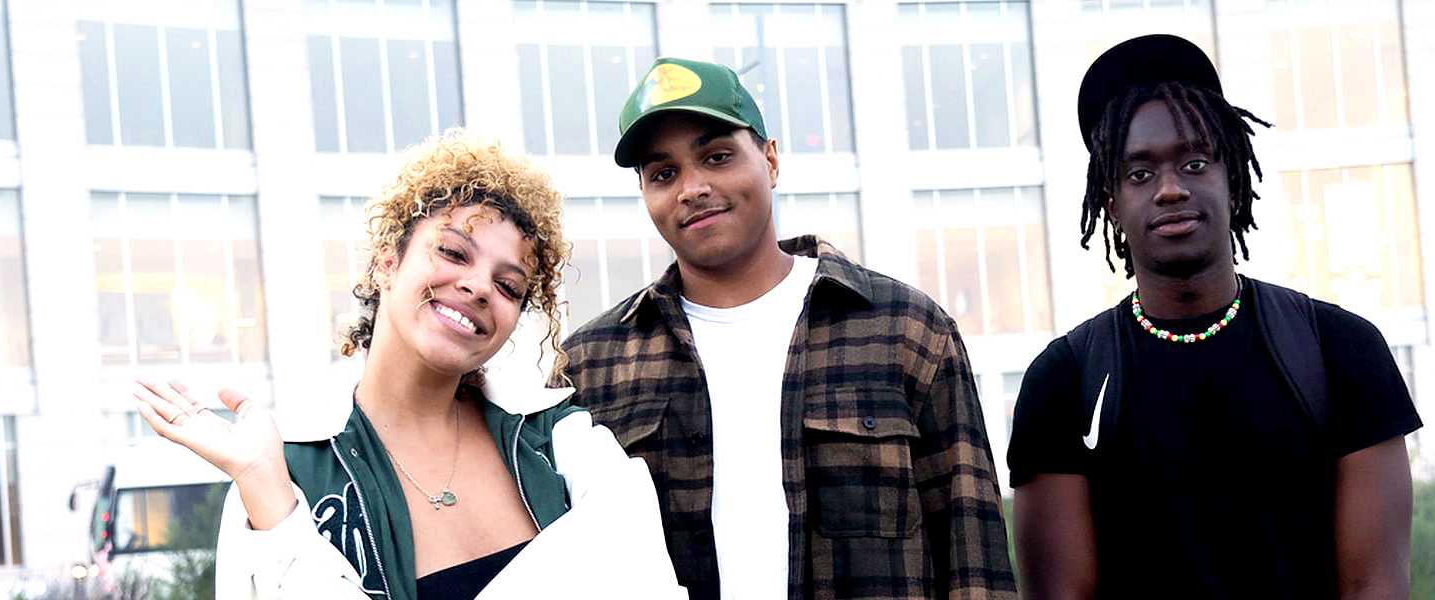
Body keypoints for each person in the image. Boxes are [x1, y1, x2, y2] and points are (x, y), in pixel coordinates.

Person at [133, 130, 683, 599]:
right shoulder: (290, 474)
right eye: (453, 252)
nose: (476, 286)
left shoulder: (566, 448)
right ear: (387, 262)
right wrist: (264, 487)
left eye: (508, 285)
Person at [559, 57, 1016, 600]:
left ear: (770, 161)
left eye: (718, 156)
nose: (692, 187)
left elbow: (975, 561)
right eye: (663, 174)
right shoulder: (590, 364)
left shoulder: (906, 329)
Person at [1006, 35, 1422, 599]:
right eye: (1139, 174)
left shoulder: (1339, 349)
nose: (1170, 189)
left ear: (1233, 180)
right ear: (1111, 202)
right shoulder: (1064, 381)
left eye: (1194, 162)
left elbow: (1374, 585)